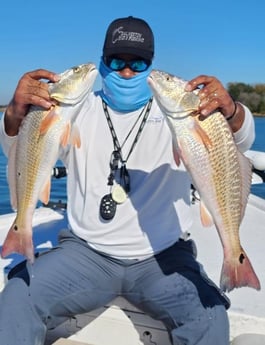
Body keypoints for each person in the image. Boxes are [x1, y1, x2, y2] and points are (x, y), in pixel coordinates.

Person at [0, 16, 255, 345]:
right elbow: (19, 150)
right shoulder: (77, 109)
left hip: (163, 255)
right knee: (18, 296)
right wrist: (15, 114)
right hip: (86, 252)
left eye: (138, 63)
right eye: (117, 60)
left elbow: (241, 142)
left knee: (209, 318)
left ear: (151, 65)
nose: (126, 71)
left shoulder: (174, 112)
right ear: (104, 62)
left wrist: (232, 111)